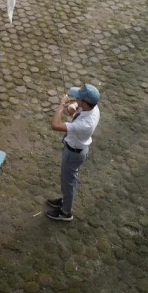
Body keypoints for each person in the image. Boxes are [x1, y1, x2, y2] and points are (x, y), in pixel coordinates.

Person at [45, 84, 101, 222]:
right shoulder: (93, 107)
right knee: (68, 181)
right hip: (75, 149)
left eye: (79, 99)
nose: (76, 98)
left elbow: (55, 125)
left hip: (74, 153)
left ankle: (65, 212)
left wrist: (62, 106)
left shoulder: (85, 124)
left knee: (68, 183)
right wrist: (74, 107)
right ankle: (65, 200)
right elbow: (79, 106)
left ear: (86, 103)